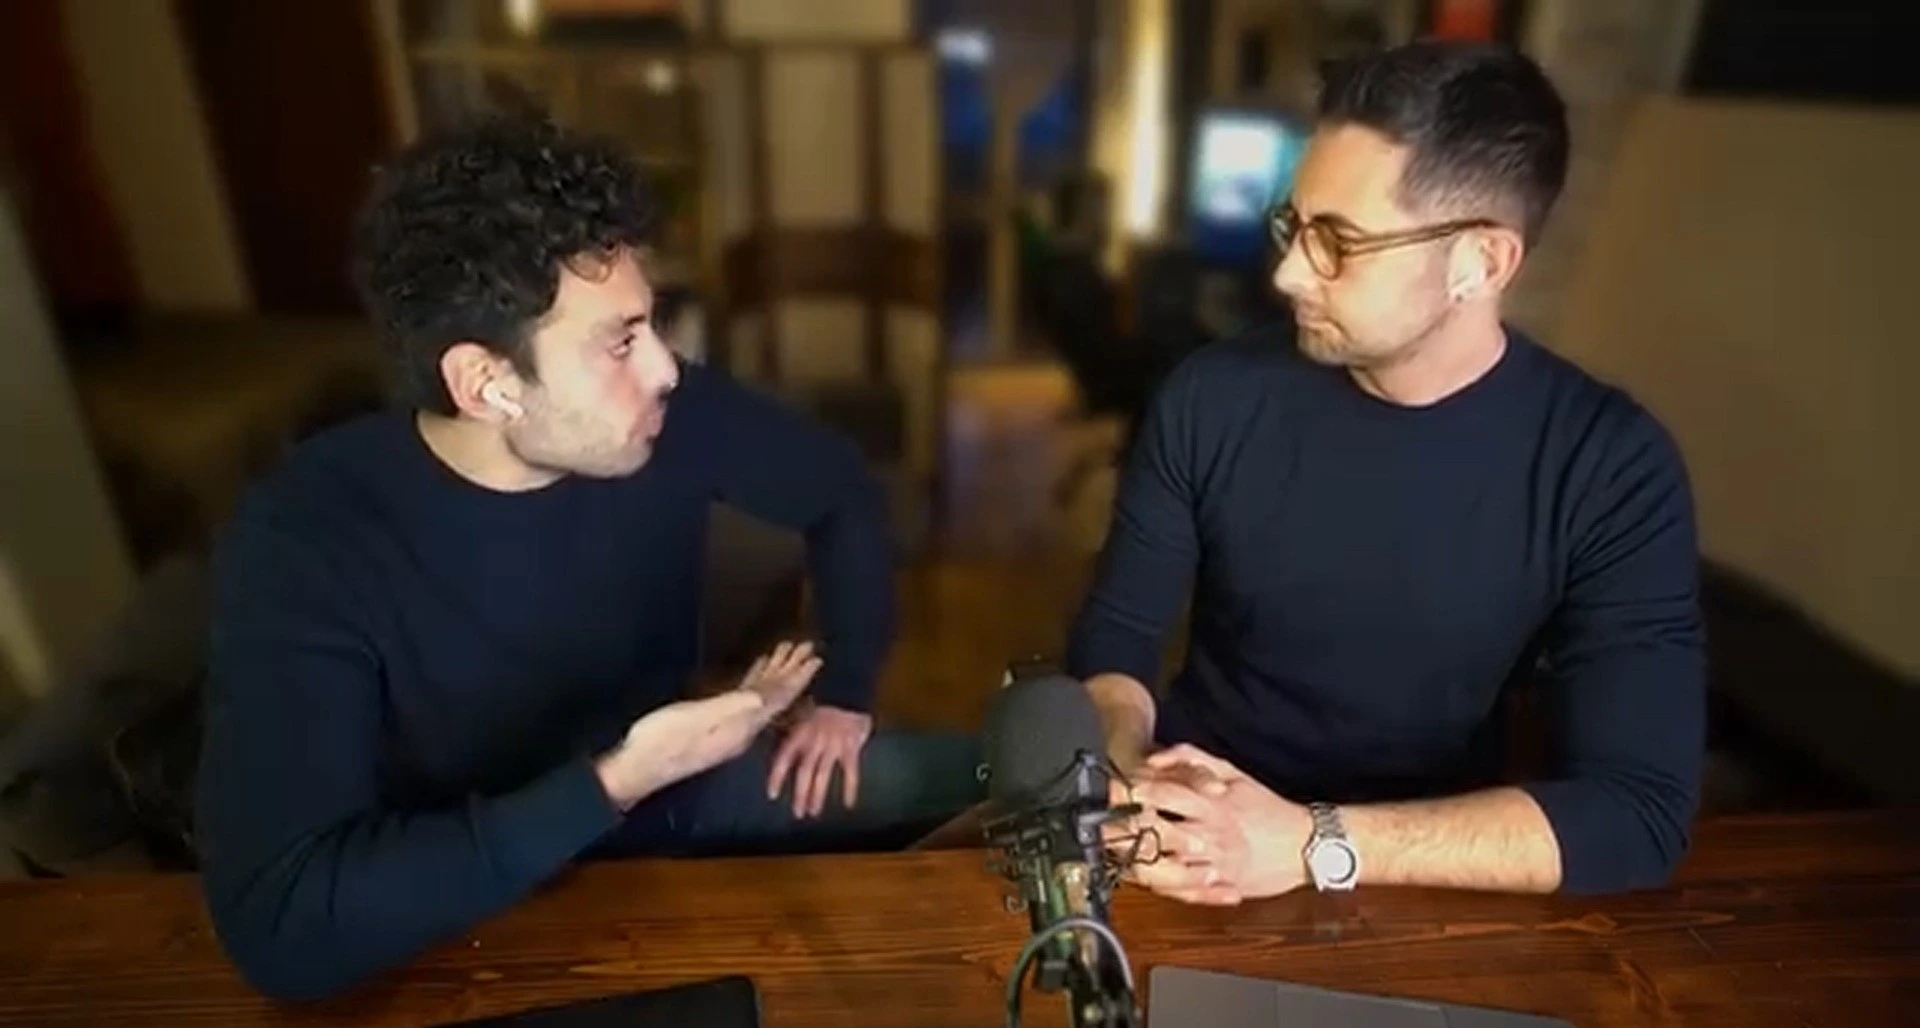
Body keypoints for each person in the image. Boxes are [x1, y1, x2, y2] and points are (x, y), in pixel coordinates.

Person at [194, 115, 981, 1001]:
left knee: (1010, 773)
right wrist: (614, 782)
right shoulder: (307, 539)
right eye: (620, 341)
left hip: (674, 792)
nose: (666, 370)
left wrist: (847, 691)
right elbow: (280, 927)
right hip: (458, 897)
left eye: (652, 326)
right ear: (487, 384)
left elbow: (840, 489)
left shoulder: (664, 415)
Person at [1068, 41, 1704, 904]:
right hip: (1188, 836)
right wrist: (1128, 772)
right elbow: (1117, 638)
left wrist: (1307, 842)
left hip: (1420, 871)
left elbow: (1638, 815)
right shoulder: (1211, 398)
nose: (1289, 272)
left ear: (1482, 262)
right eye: (1294, 225)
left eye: (1339, 241)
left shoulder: (1610, 467)